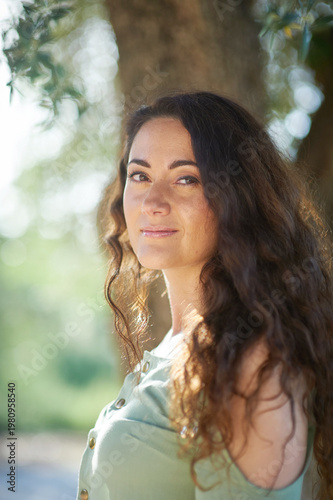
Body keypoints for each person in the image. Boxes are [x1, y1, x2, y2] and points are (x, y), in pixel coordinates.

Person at [76, 91, 333, 500]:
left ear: (239, 199)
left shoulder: (253, 360)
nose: (153, 202)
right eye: (139, 175)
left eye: (186, 179)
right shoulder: (174, 344)